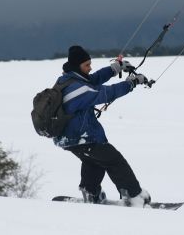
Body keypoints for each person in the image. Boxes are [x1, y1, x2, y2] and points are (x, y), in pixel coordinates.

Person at [53, 45, 151, 207]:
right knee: (115, 161)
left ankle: (90, 193)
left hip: (70, 139)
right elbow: (106, 93)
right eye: (86, 65)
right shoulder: (77, 89)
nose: (90, 68)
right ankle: (134, 197)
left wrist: (114, 69)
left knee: (94, 162)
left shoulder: (68, 80)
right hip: (82, 137)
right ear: (77, 66)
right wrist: (131, 83)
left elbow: (94, 79)